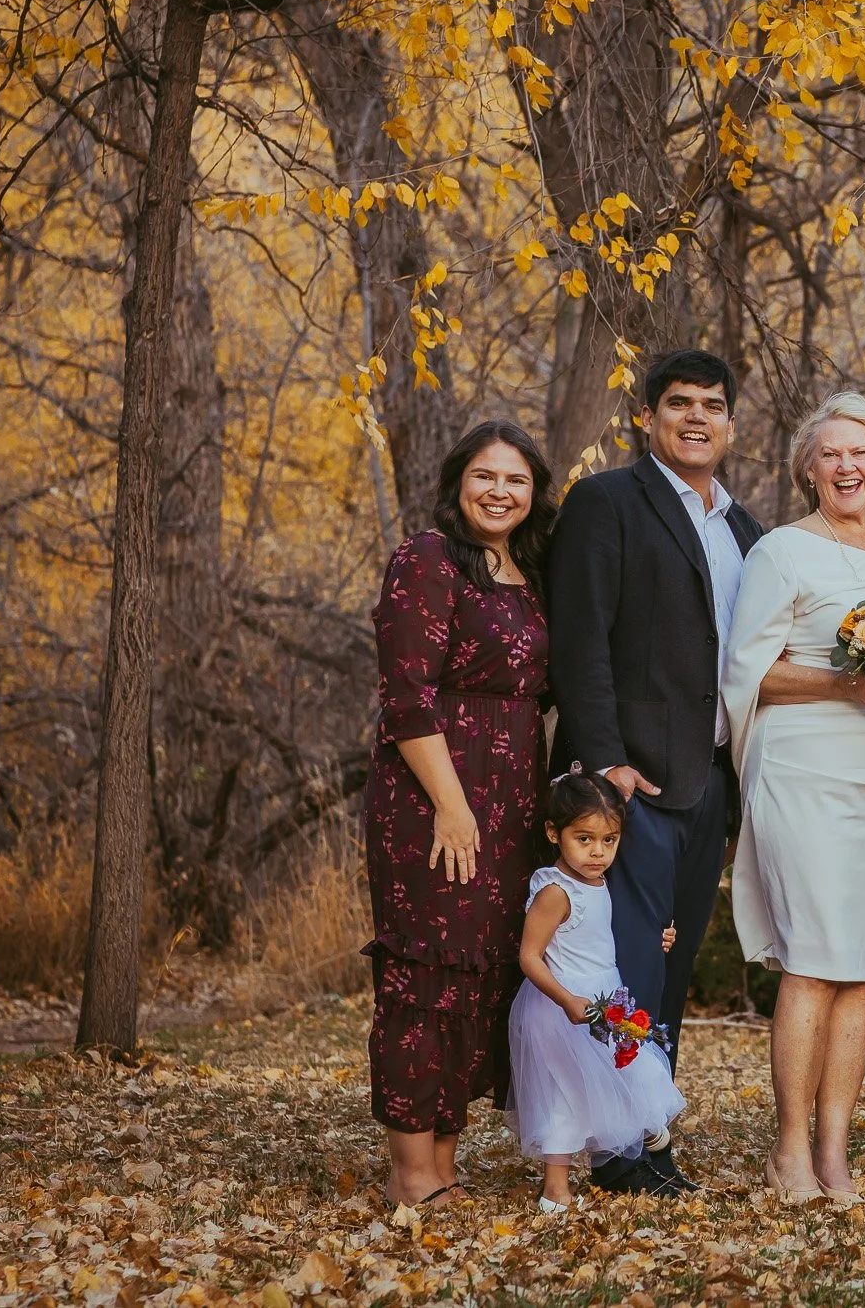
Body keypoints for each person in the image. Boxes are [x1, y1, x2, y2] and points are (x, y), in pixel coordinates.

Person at [547, 350, 766, 1196]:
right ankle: (614, 1150)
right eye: (679, 403)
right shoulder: (608, 503)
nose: (697, 417)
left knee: (669, 971)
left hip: (709, 779)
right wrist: (606, 765)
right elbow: (581, 640)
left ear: (732, 422)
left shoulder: (743, 529)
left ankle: (647, 1130)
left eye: (713, 404)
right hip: (629, 784)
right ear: (648, 417)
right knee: (622, 963)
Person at [721, 394, 865, 1205]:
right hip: (802, 767)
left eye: (861, 453)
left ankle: (836, 1153)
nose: (846, 466)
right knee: (811, 958)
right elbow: (751, 667)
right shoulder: (779, 551)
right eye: (829, 454)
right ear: (808, 469)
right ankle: (789, 1152)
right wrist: (846, 681)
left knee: (861, 969)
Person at [365, 420, 558, 1207]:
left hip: (511, 798)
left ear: (534, 492)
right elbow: (405, 693)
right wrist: (450, 805)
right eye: (485, 476)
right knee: (426, 974)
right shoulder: (427, 559)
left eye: (516, 480)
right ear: (458, 482)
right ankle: (411, 1173)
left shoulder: (528, 571)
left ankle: (444, 1159)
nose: (500, 491)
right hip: (434, 792)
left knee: (479, 977)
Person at [509, 768, 686, 1212]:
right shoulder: (556, 889)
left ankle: (646, 1126)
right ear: (554, 832)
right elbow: (530, 956)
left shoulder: (598, 881)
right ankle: (555, 1189)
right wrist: (567, 1000)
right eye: (584, 838)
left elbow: (600, 934)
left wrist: (655, 938)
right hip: (562, 1006)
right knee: (565, 1097)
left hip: (605, 999)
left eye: (609, 840)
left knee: (635, 1071)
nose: (598, 852)